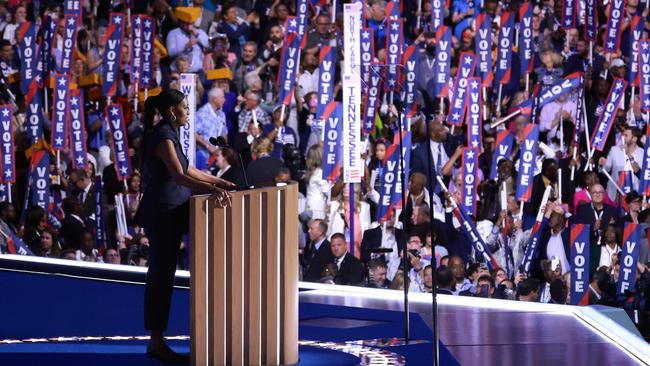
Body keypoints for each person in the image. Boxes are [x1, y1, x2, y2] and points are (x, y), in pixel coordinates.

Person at [137, 89, 234, 364]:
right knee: (160, 276)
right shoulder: (162, 135)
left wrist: (219, 182)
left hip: (173, 213)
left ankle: (158, 341)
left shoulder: (170, 133)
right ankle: (156, 342)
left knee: (164, 275)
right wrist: (211, 189)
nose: (188, 113)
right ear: (171, 112)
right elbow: (179, 176)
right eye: (185, 108)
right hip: (163, 213)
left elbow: (188, 169)